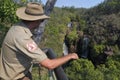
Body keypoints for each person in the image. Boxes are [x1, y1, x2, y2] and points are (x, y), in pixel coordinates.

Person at [0, 2, 79, 80]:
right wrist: (70, 56)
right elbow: (49, 65)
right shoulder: (23, 38)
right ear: (36, 21)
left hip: (9, 72)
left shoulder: (16, 27)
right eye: (42, 20)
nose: (41, 23)